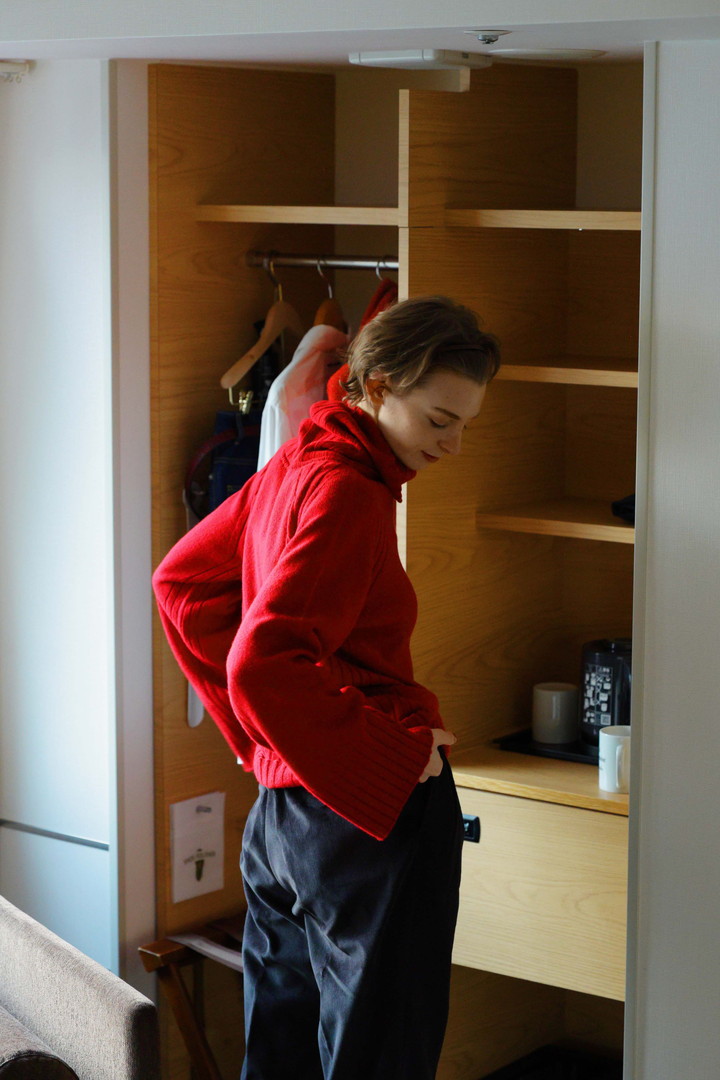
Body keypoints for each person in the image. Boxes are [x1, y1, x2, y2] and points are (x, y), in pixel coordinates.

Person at [152, 294, 501, 1080]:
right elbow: (264, 663)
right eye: (440, 419)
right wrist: (386, 756)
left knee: (281, 1052)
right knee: (380, 1056)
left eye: (465, 425)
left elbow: (182, 587)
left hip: (284, 819)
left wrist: (267, 745)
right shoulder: (349, 491)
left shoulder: (294, 464)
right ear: (376, 387)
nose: (453, 444)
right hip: (367, 818)